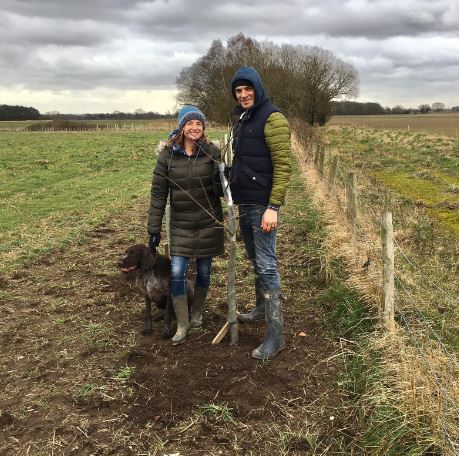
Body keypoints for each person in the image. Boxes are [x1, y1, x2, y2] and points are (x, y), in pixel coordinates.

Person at [147, 105, 224, 345]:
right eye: (190, 124)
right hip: (180, 224)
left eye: (199, 124)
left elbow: (222, 190)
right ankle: (182, 323)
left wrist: (226, 177)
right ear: (181, 127)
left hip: (208, 221)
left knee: (203, 271)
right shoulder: (167, 158)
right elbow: (158, 195)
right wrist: (154, 229)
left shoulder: (212, 153)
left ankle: (197, 313)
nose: (195, 128)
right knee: (178, 272)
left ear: (203, 128)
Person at [229, 66, 292, 360]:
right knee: (254, 259)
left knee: (267, 266)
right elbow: (244, 160)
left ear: (257, 87)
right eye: (238, 91)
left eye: (247, 89)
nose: (243, 95)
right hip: (245, 202)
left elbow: (283, 166)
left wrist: (273, 207)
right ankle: (259, 308)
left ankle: (275, 336)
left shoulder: (273, 118)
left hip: (262, 206)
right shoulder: (241, 119)